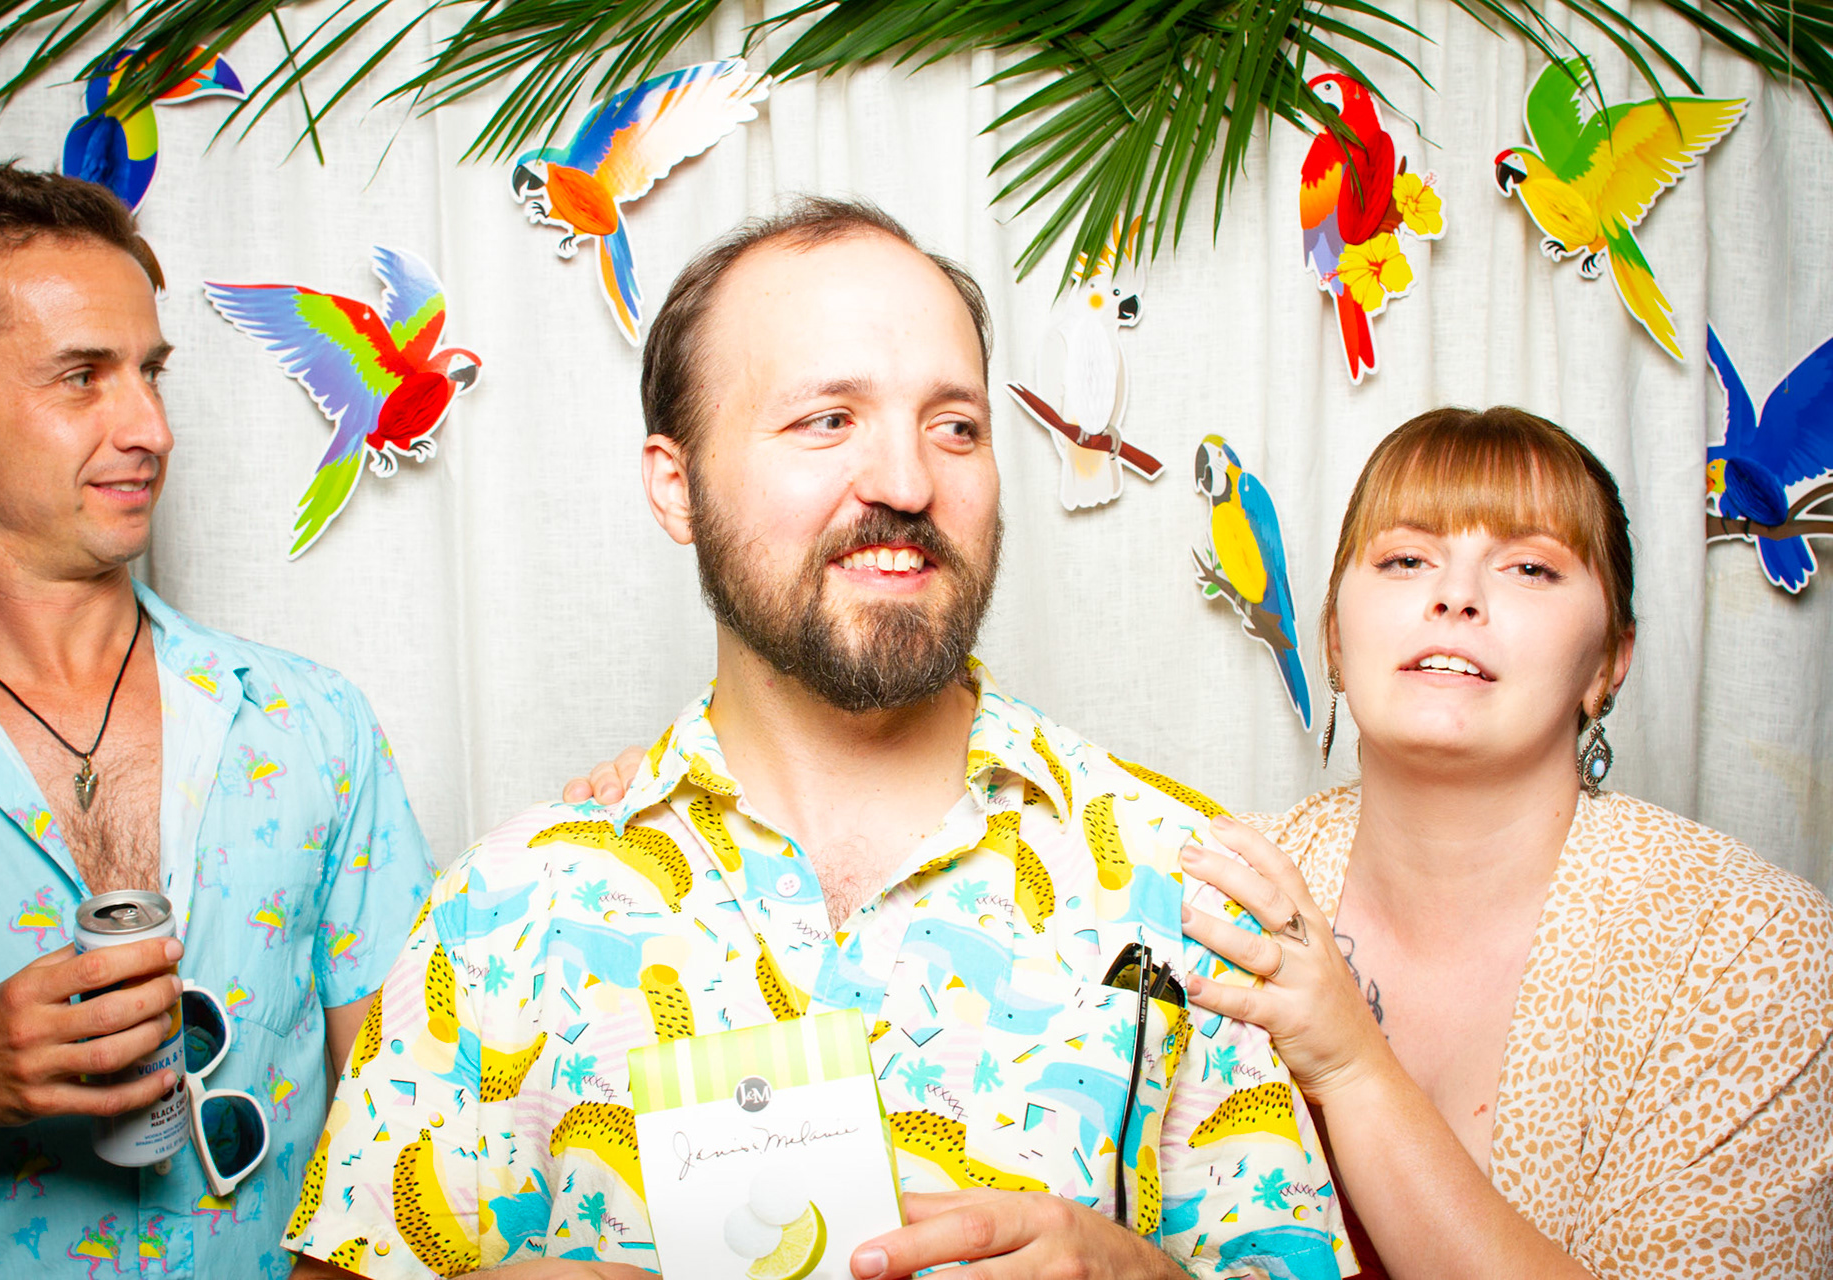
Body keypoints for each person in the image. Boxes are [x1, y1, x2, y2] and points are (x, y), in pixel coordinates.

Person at [284, 198, 1352, 1280]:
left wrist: (1145, 1279)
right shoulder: (502, 912)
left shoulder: (1185, 885)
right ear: (677, 487)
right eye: (828, 420)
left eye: (955, 426)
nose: (907, 483)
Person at [573, 406, 1833, 1275]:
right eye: (1405, 557)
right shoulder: (1204, 872)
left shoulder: (1755, 952)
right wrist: (708, 784)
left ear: (1610, 660)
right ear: (1331, 630)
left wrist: (1350, 1063)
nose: (1456, 595)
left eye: (1532, 569)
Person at [0, 165, 437, 1277]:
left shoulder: (313, 726)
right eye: (82, 377)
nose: (148, 426)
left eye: (149, 372)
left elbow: (412, 1130)